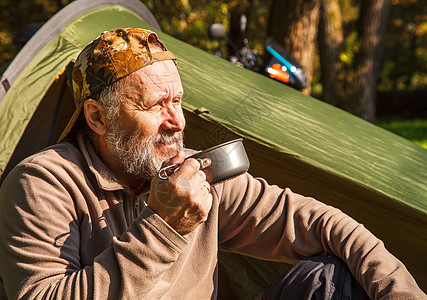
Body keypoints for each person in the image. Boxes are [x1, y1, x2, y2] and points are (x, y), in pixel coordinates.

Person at [0, 28, 424, 300]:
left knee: (329, 282)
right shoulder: (43, 184)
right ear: (97, 117)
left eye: (178, 102)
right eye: (155, 106)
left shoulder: (194, 171)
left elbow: (319, 223)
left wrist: (402, 293)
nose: (177, 122)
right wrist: (164, 228)